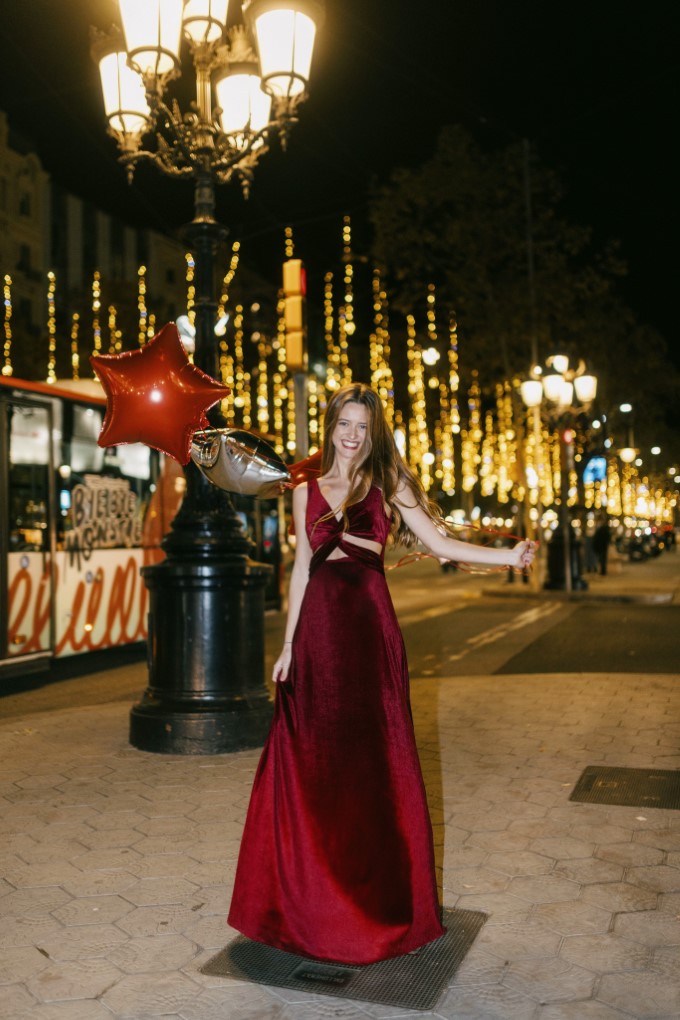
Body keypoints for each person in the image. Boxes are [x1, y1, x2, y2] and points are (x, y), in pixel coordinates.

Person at [228, 383, 536, 965]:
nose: (352, 434)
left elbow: (441, 543)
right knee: (316, 761)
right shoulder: (306, 486)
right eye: (344, 422)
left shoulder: (389, 481)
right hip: (317, 631)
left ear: (373, 432)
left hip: (368, 629)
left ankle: (375, 905)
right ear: (331, 424)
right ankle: (310, 902)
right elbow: (301, 566)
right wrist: (288, 644)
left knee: (372, 761)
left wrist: (506, 557)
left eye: (362, 426)